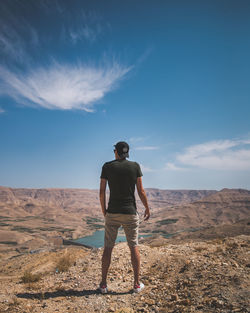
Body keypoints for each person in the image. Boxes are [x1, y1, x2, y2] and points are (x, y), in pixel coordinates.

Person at [98, 141, 150, 294]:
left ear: (116, 152)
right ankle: (135, 284)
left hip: (112, 212)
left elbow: (101, 192)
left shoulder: (107, 166)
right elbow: (141, 191)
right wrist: (147, 207)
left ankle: (103, 285)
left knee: (108, 248)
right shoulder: (135, 166)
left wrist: (104, 211)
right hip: (130, 212)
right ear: (126, 153)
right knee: (133, 246)